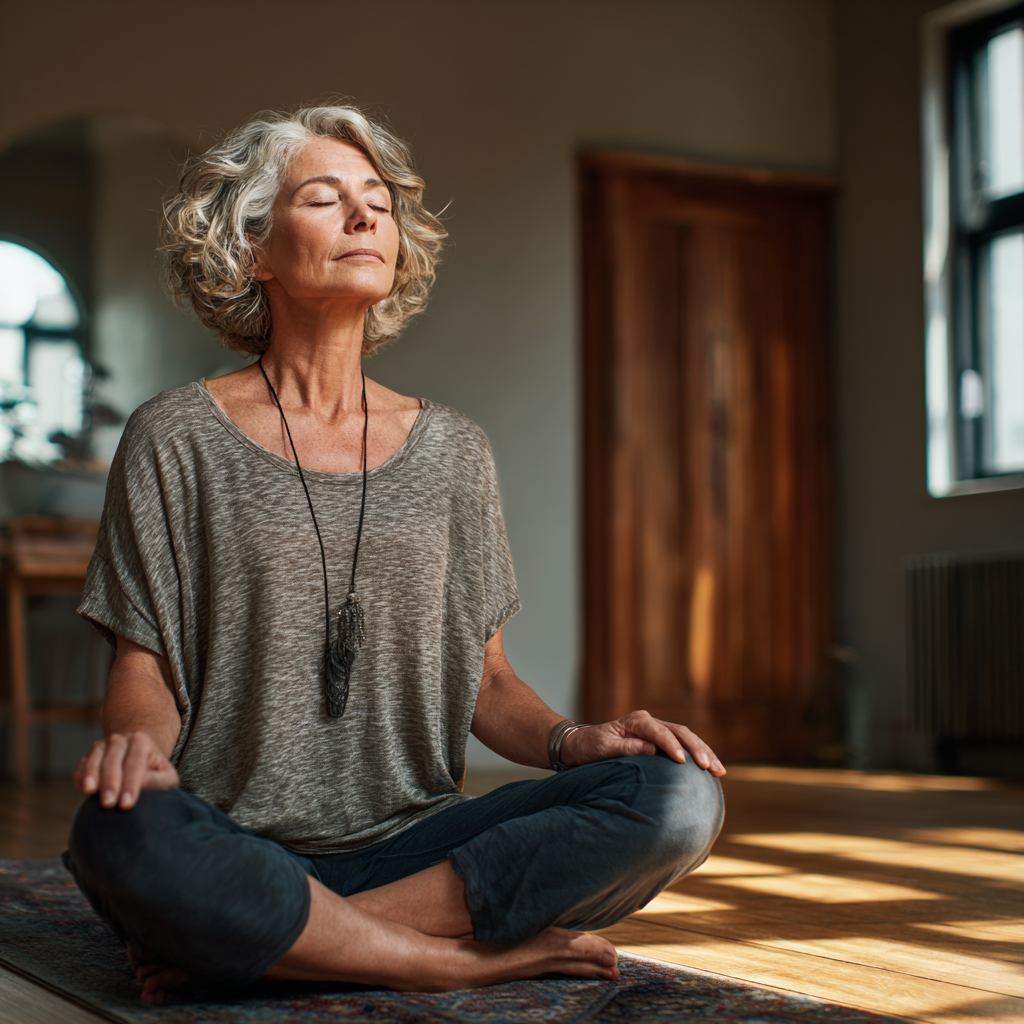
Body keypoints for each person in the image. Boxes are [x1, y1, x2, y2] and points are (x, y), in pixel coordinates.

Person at [64, 104, 726, 1004]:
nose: (366, 217)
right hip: (234, 838)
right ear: (254, 248)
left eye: (376, 201)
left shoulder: (454, 450)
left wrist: (577, 741)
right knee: (121, 832)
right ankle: (449, 957)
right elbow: (147, 667)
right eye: (325, 198)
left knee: (677, 798)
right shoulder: (174, 436)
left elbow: (486, 684)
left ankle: (279, 939)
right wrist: (138, 757)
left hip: (420, 848)